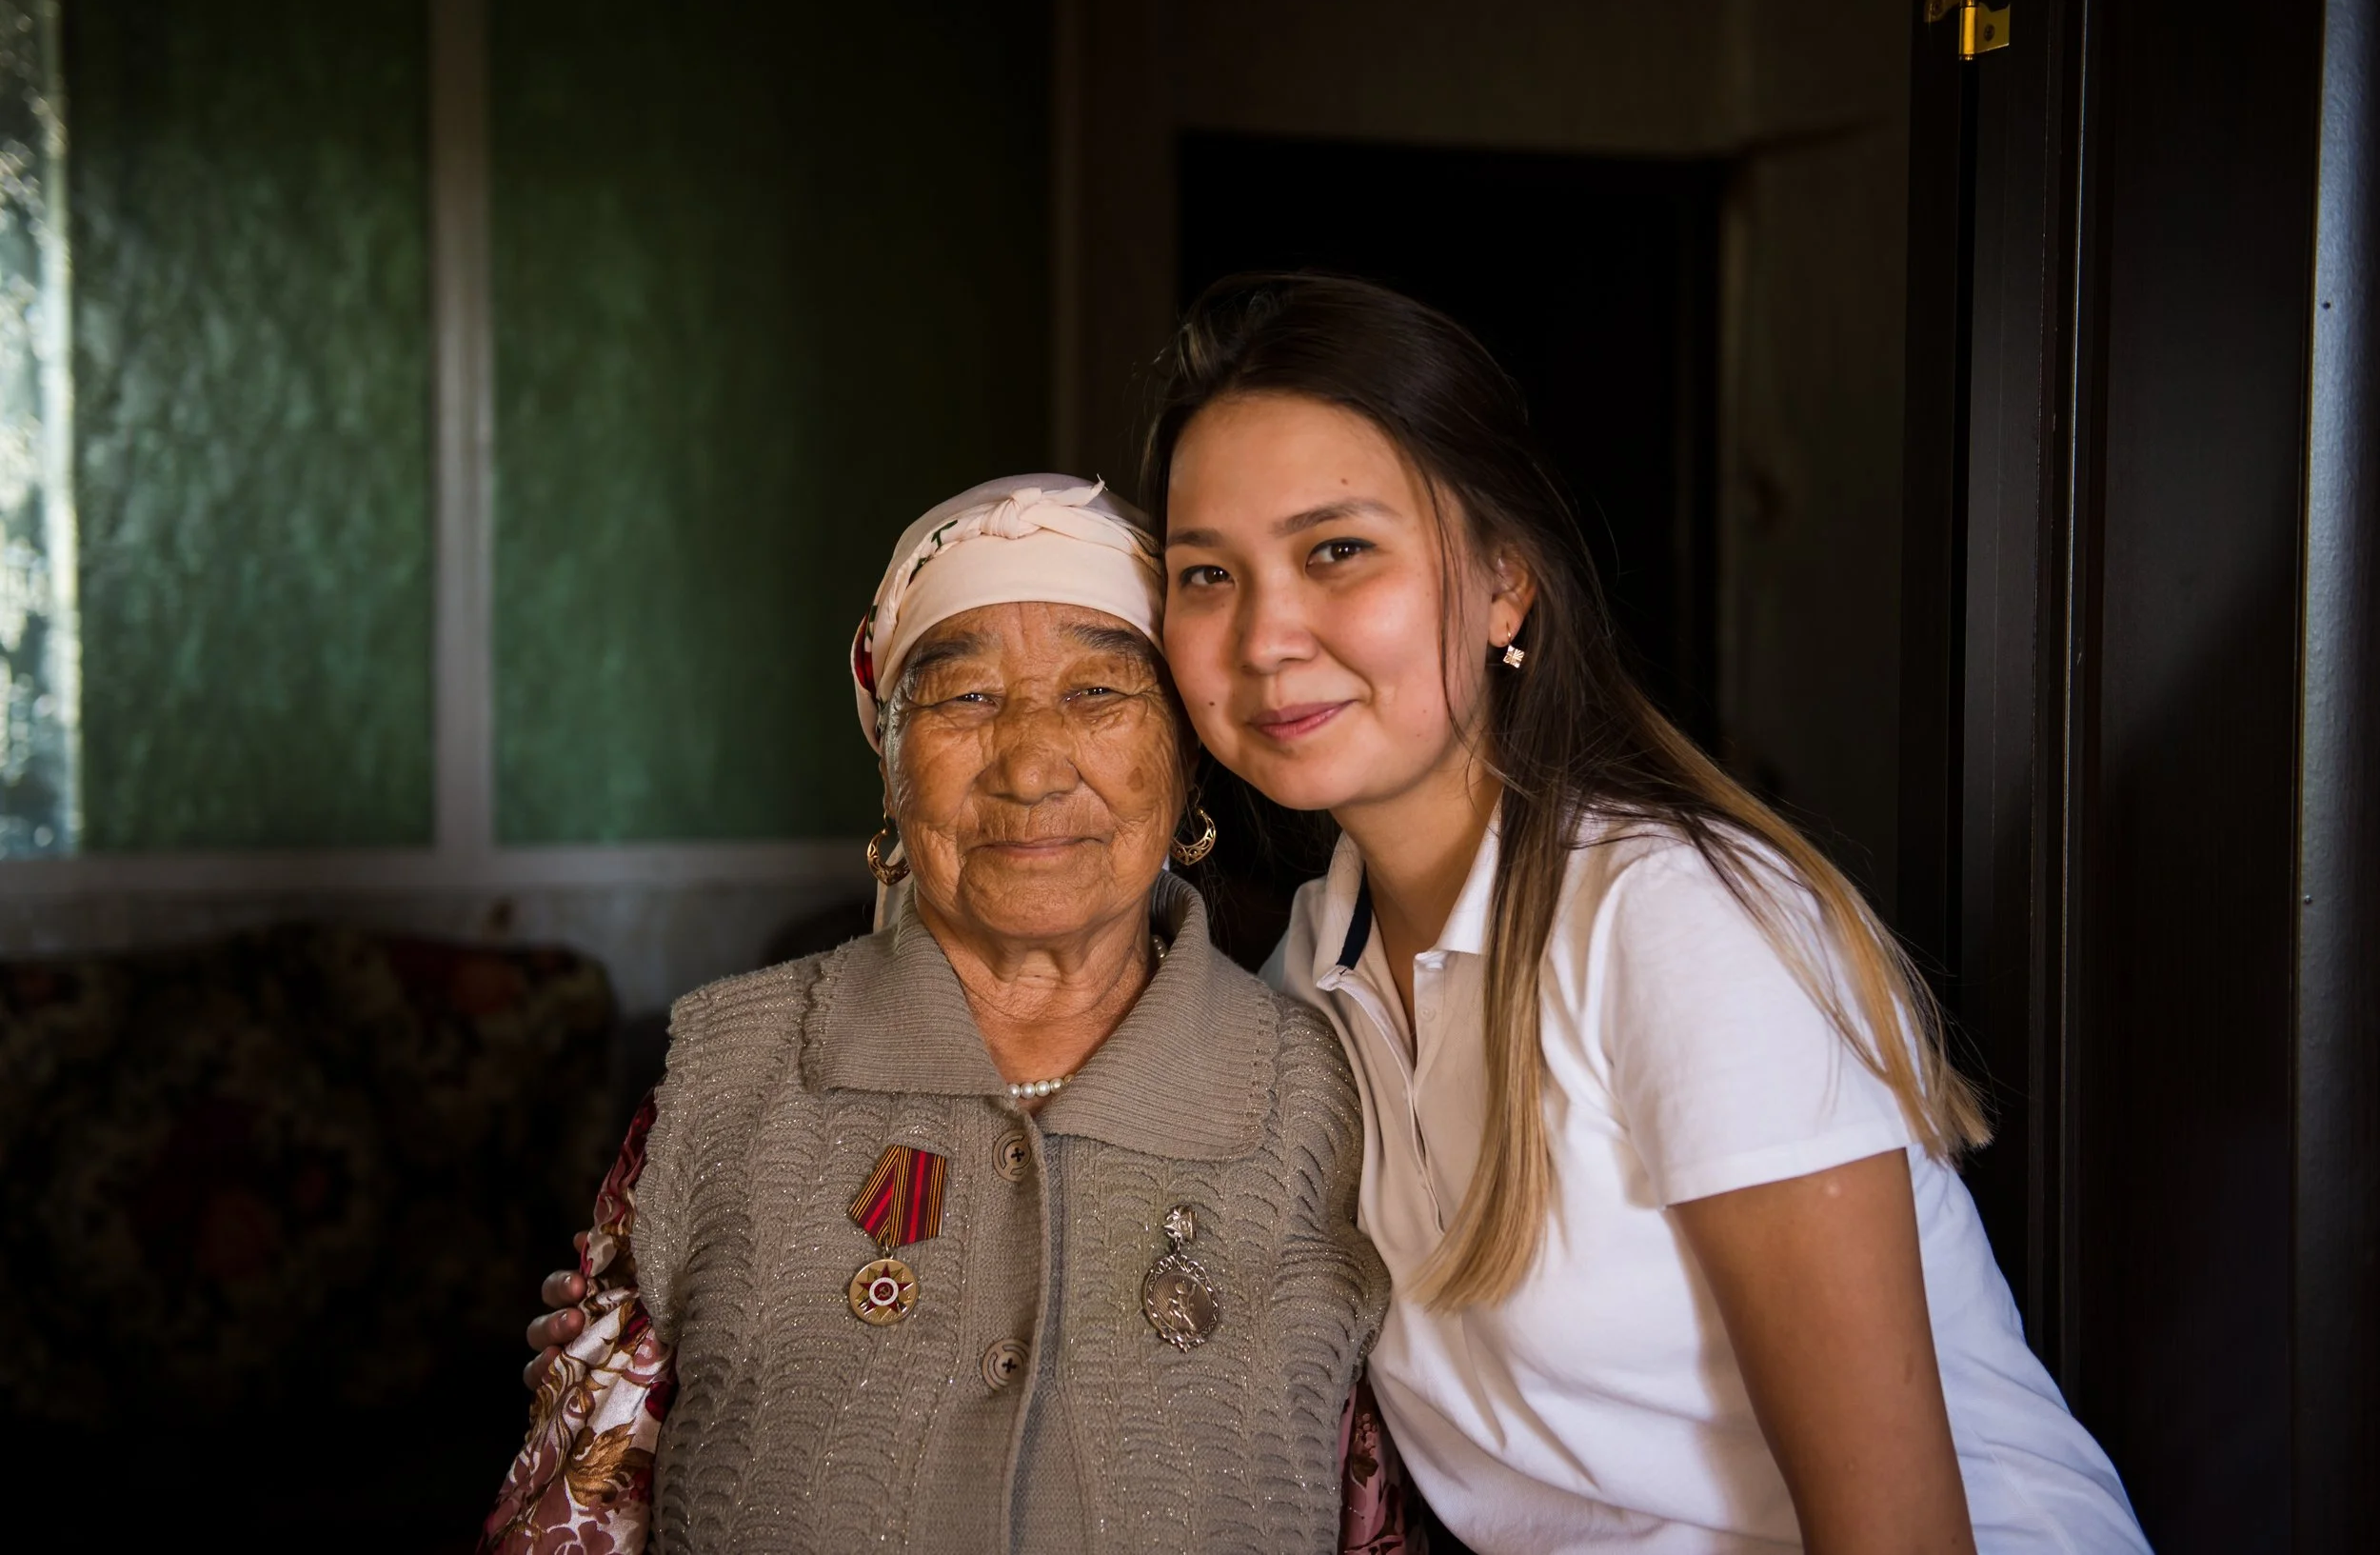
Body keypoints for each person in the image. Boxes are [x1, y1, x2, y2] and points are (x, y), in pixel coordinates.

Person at [1144, 273, 2149, 1553]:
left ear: (1505, 583)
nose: (1267, 634)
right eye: (1206, 574)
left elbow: (1898, 1532)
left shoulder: (1672, 926)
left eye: (1338, 550)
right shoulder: (1305, 975)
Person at [484, 475, 1399, 1555]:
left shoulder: (1331, 1097)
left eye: (1099, 694)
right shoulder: (727, 1080)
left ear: (1188, 753)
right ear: (890, 765)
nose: (1027, 763)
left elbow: (1387, 1510)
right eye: (964, 698)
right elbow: (568, 1513)